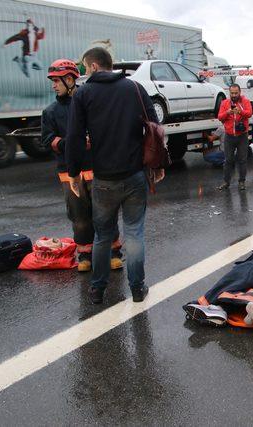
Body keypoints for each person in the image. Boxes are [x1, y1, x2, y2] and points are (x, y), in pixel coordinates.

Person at [66, 47, 161, 304]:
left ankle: (98, 289)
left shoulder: (84, 93)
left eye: (86, 68)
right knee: (134, 234)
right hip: (134, 175)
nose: (85, 72)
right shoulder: (134, 88)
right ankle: (138, 289)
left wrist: (73, 172)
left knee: (103, 236)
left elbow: (74, 137)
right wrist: (157, 164)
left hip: (104, 179)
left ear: (94, 66)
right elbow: (154, 126)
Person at [41, 58, 123, 273]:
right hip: (69, 174)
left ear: (70, 79)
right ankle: (85, 255)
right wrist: (69, 143)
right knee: (80, 218)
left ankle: (114, 252)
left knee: (105, 214)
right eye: (52, 81)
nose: (53, 85)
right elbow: (47, 139)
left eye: (56, 81)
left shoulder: (90, 101)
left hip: (97, 170)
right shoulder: (50, 112)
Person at [216, 83, 252, 191]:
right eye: (232, 93)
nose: (234, 95)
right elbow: (219, 117)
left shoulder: (245, 101)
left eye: (236, 93)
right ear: (229, 93)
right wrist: (228, 112)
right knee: (228, 160)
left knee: (242, 160)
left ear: (240, 92)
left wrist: (240, 111)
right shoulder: (225, 103)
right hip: (229, 136)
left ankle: (242, 182)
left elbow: (249, 113)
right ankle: (226, 182)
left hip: (242, 136)